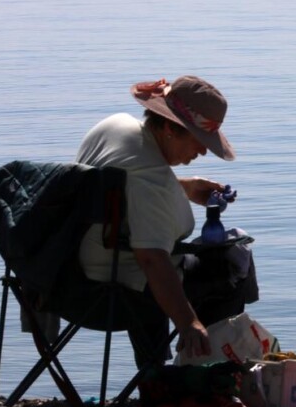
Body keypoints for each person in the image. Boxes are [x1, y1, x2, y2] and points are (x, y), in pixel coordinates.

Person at [75, 75, 246, 368]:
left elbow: (126, 187)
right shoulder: (154, 181)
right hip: (113, 287)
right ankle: (202, 369)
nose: (203, 151)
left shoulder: (115, 126)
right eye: (199, 140)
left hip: (69, 271)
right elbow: (153, 259)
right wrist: (188, 321)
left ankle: (165, 373)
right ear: (169, 128)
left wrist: (184, 188)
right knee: (231, 265)